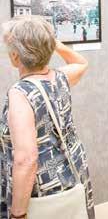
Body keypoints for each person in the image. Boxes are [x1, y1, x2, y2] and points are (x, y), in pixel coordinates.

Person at [0, 15, 95, 219]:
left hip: (41, 189)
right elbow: (81, 62)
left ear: (16, 57)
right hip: (72, 174)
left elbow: (26, 159)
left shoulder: (20, 94)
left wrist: (17, 214)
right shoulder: (59, 78)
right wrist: (52, 43)